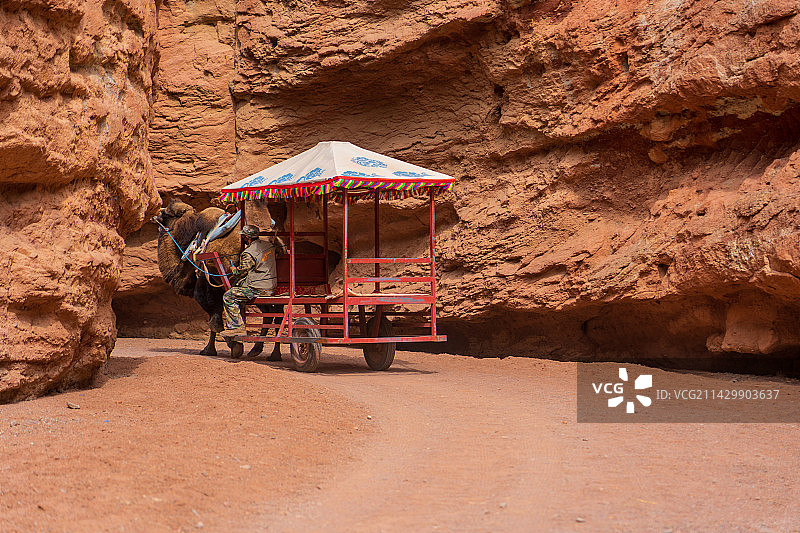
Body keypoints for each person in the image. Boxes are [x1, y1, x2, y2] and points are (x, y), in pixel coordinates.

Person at [220, 225, 278, 343]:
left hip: (257, 288)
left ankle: (236, 327)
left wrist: (233, 270)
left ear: (246, 237)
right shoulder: (269, 246)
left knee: (229, 296)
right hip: (271, 285)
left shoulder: (248, 253)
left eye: (243, 236)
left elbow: (242, 272)